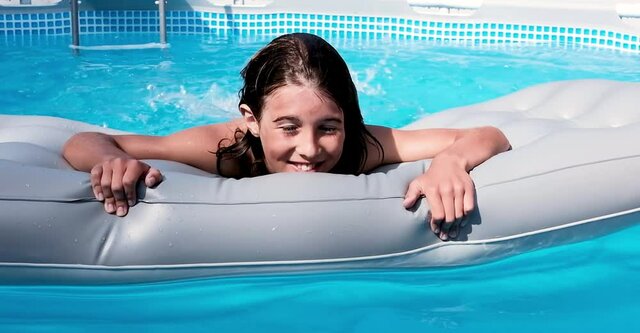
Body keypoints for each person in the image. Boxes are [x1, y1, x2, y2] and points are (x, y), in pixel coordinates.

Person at [63, 33, 510, 241]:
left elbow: (486, 135)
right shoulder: (229, 148)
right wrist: (109, 158)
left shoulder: (364, 146)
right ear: (253, 120)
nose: (310, 150)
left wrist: (449, 163)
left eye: (328, 127)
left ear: (349, 122)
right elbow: (85, 140)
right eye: (289, 127)